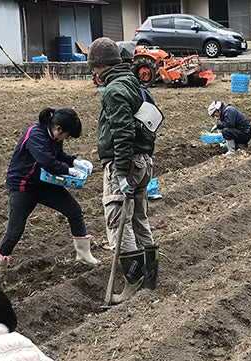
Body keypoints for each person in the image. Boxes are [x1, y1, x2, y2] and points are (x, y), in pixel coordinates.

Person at [87, 36, 159, 303]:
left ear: (98, 66)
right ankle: (150, 279)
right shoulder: (136, 84)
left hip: (125, 164)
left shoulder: (115, 90)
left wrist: (120, 170)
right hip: (143, 162)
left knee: (118, 222)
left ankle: (133, 283)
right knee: (139, 220)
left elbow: (122, 132)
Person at [0, 107, 99, 275]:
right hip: (23, 186)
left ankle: (83, 254)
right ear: (58, 129)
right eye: (67, 135)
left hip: (45, 183)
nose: (66, 138)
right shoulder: (36, 134)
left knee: (74, 210)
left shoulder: (55, 135)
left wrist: (75, 161)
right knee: (15, 231)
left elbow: (58, 154)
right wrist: (69, 170)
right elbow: (48, 161)